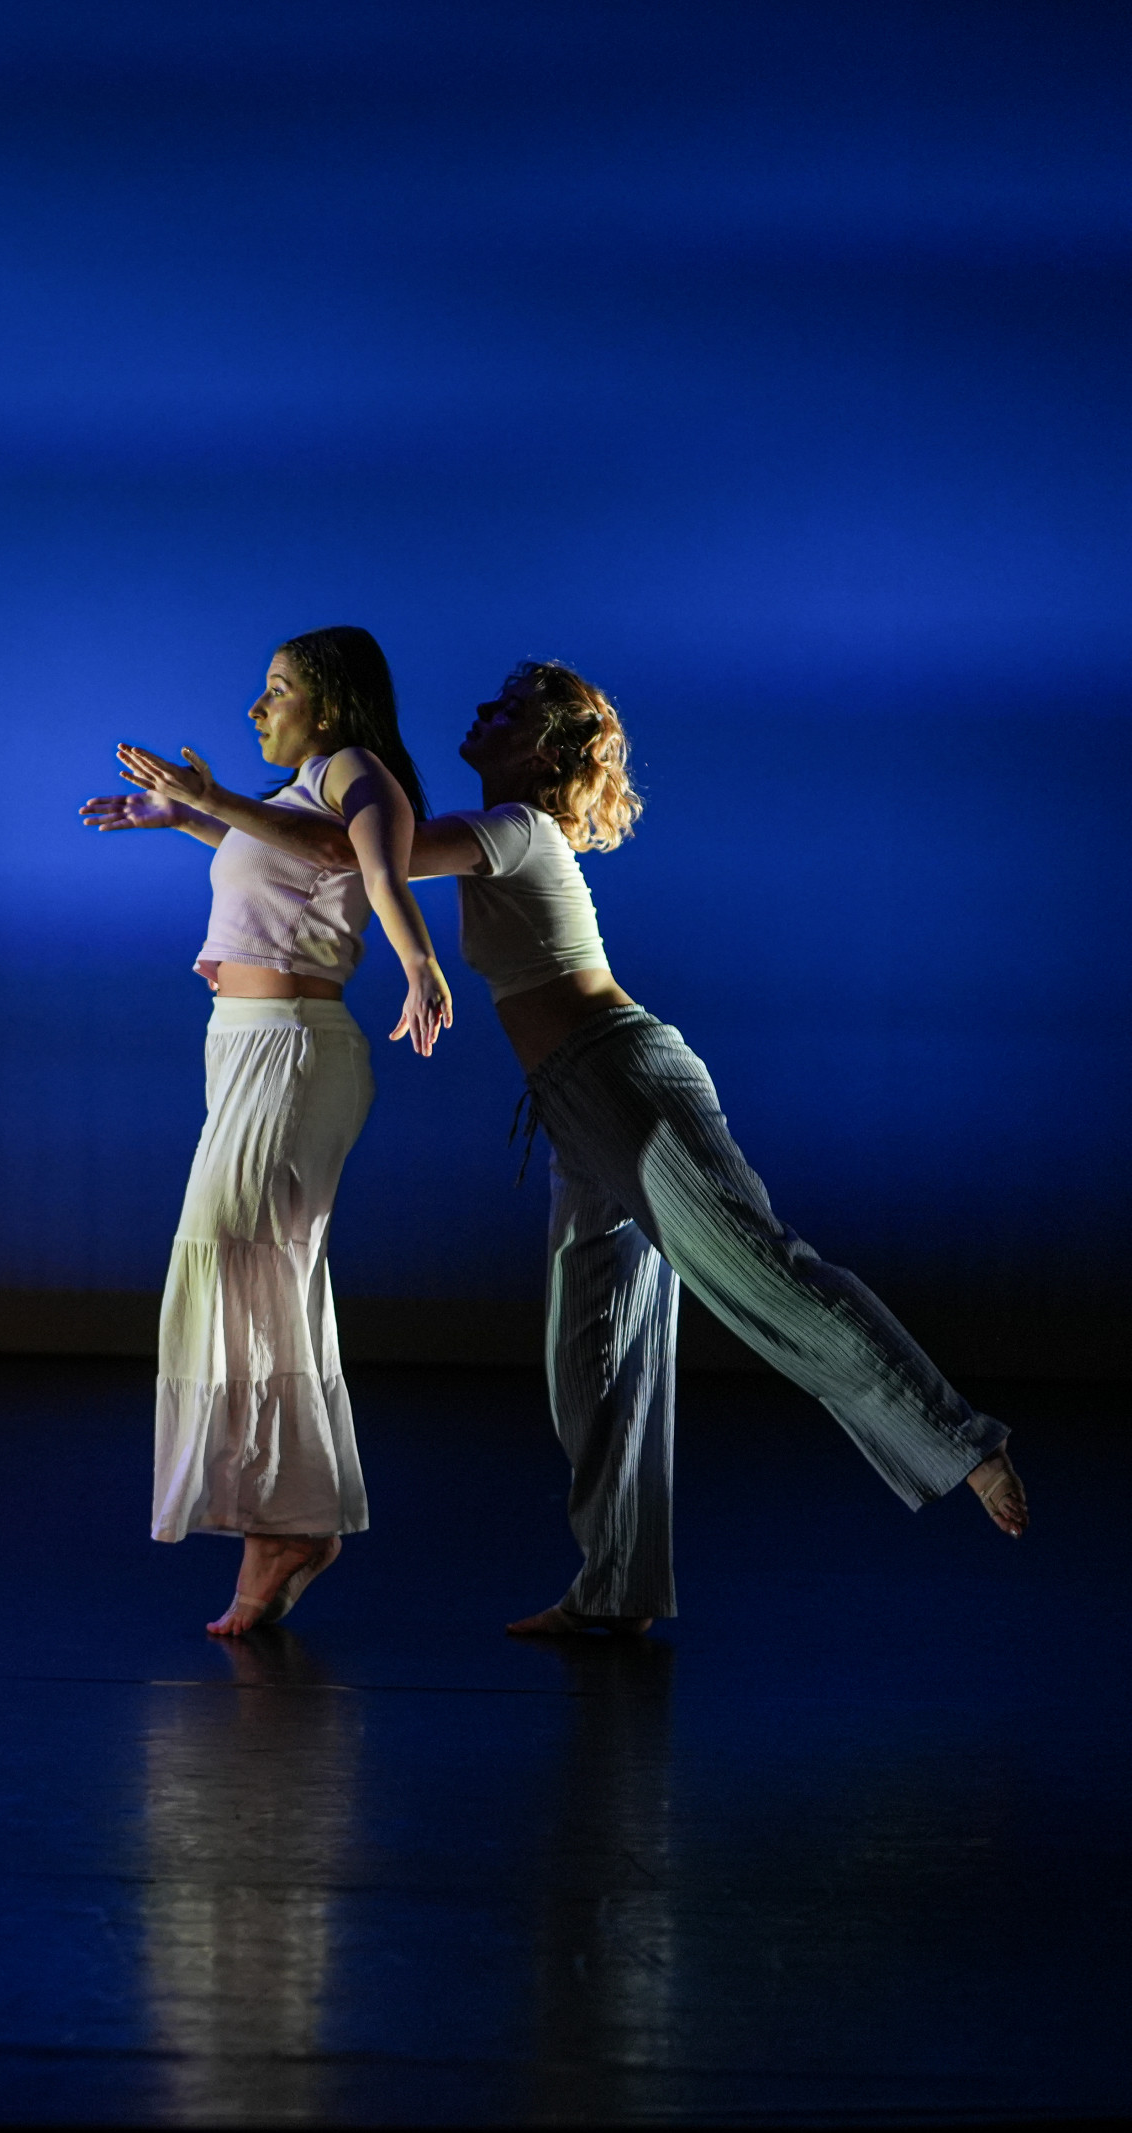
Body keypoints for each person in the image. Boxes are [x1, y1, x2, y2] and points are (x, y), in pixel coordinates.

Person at [118, 659, 1027, 1634]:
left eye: (503, 710)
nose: (477, 709)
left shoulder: (514, 830)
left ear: (541, 748)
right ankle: (615, 1591)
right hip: (573, 1104)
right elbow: (334, 851)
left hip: (625, 1082)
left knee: (762, 1274)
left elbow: (352, 855)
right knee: (592, 1356)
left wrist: (214, 801)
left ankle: (958, 1441)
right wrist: (204, 822)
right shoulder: (497, 834)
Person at [81, 626, 455, 1635]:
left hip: (293, 1044)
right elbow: (290, 860)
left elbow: (358, 864)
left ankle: (286, 1525)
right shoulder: (296, 794)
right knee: (250, 1275)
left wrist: (420, 967)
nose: (256, 709)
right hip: (248, 1042)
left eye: (276, 690)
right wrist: (186, 822)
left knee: (242, 1266)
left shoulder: (354, 771)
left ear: (328, 707)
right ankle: (285, 1521)